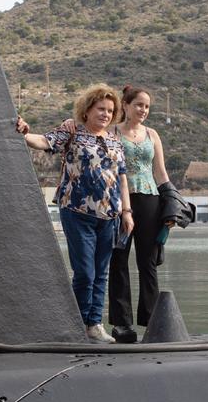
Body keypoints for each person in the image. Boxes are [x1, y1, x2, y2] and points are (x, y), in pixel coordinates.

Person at [17, 84, 134, 341]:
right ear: (88, 109)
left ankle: (94, 324)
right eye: (101, 109)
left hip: (110, 215)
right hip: (77, 211)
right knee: (85, 272)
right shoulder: (71, 131)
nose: (105, 114)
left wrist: (127, 212)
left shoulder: (115, 140)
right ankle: (77, 323)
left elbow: (122, 178)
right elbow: (44, 141)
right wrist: (25, 133)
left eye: (110, 110)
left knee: (102, 272)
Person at [107, 86, 170, 342]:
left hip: (150, 199)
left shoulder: (152, 134)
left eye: (147, 106)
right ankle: (122, 324)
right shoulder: (112, 132)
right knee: (118, 260)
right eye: (139, 105)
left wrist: (170, 205)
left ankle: (151, 321)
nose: (143, 110)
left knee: (148, 262)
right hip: (118, 201)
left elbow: (161, 172)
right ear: (126, 105)